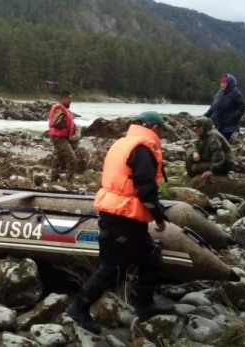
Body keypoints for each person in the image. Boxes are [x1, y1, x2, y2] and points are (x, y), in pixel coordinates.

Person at [66, 111, 175, 334]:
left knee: (151, 258)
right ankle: (78, 307)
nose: (163, 134)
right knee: (112, 267)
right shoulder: (142, 149)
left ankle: (144, 304)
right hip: (120, 216)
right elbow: (146, 189)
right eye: (162, 130)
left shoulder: (124, 142)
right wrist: (159, 218)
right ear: (154, 128)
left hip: (126, 215)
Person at [203, 73, 245, 141]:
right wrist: (204, 117)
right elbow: (212, 108)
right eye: (222, 82)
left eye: (225, 83)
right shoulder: (219, 93)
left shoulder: (236, 93)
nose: (222, 84)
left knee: (222, 145)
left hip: (230, 128)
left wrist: (233, 117)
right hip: (218, 126)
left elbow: (242, 107)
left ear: (230, 83)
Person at [49, 91, 77, 182]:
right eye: (69, 98)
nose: (70, 101)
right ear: (63, 98)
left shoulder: (65, 110)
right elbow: (56, 123)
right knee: (72, 159)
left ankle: (53, 180)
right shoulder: (59, 109)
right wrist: (64, 121)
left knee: (57, 159)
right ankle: (70, 181)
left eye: (71, 98)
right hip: (59, 138)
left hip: (62, 137)